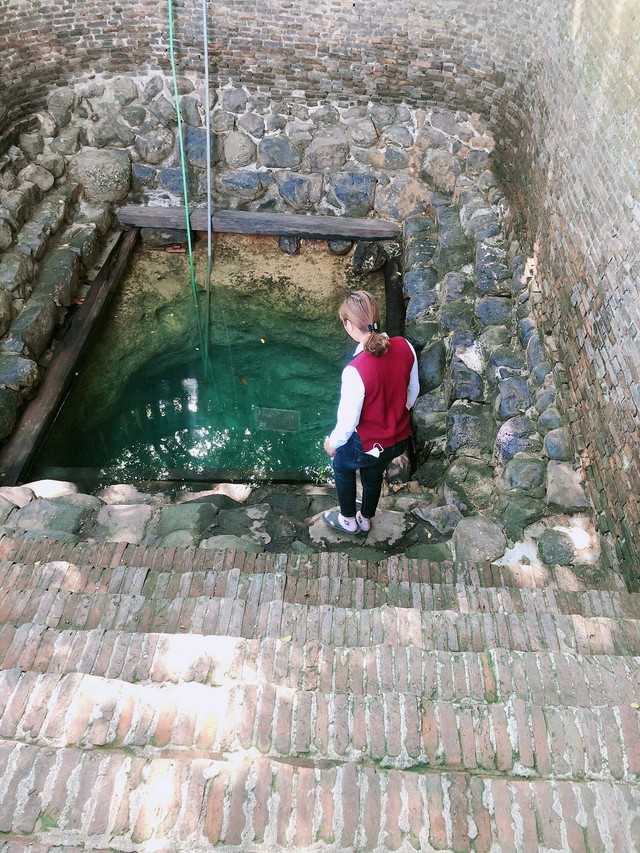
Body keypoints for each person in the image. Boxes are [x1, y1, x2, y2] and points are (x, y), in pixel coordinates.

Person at [322, 289, 419, 535]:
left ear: (349, 325)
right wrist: (392, 415)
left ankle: (347, 520)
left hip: (368, 444)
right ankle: (365, 517)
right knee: (374, 474)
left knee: (342, 466)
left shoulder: (355, 370)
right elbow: (412, 393)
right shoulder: (404, 346)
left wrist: (332, 444)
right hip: (398, 439)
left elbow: (348, 422)